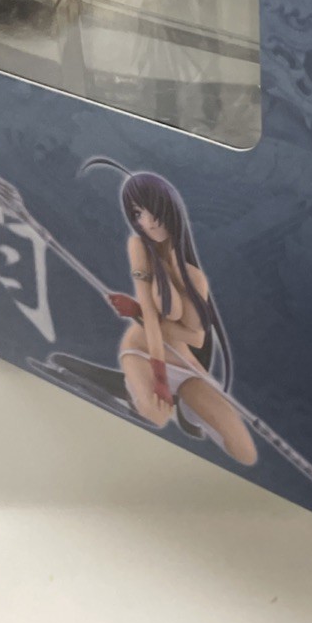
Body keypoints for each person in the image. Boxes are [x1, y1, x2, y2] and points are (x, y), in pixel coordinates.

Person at [87, 158, 258, 466]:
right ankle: (126, 389)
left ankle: (179, 407)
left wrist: (139, 309)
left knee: (245, 452)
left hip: (185, 364)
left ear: (171, 211)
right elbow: (153, 322)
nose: (148, 222)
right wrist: (159, 376)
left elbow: (196, 337)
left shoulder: (194, 277)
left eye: (154, 211)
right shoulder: (139, 247)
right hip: (143, 352)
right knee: (156, 417)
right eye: (138, 214)